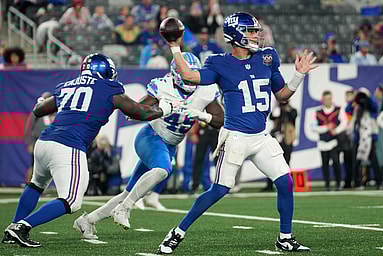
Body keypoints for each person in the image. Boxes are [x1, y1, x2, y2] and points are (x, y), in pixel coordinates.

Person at [157, 12, 317, 254]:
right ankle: (176, 233)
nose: (256, 35)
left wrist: (299, 75)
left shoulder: (267, 57)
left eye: (256, 31)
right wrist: (175, 47)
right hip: (236, 137)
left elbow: (282, 95)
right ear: (235, 35)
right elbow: (189, 76)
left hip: (262, 137)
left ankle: (285, 238)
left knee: (285, 182)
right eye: (251, 31)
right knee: (219, 189)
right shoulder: (219, 62)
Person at [2, 53, 176, 248]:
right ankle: (22, 227)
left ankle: (13, 227)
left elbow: (39, 110)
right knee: (72, 201)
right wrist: (164, 110)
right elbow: (141, 112)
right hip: (68, 145)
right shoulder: (109, 87)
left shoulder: (68, 85)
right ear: (104, 71)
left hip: (44, 142)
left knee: (36, 185)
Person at [72, 52, 224, 240]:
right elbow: (133, 113)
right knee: (162, 170)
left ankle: (87, 221)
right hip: (151, 137)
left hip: (170, 144)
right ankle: (125, 209)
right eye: (186, 71)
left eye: (192, 72)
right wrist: (161, 110)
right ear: (176, 72)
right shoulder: (163, 86)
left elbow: (220, 120)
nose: (189, 76)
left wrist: (203, 116)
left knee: (130, 191)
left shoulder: (206, 90)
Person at [346, 88, 382, 189]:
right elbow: (347, 110)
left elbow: (375, 106)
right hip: (358, 138)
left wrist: (367, 97)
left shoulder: (371, 109)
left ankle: (379, 181)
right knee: (356, 161)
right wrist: (355, 99)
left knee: (374, 160)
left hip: (370, 137)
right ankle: (357, 182)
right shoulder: (356, 108)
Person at [312, 91, 345, 191]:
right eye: (326, 99)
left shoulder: (338, 110)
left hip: (334, 142)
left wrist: (336, 130)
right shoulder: (317, 112)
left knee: (336, 163)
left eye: (329, 99)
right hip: (322, 143)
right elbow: (313, 127)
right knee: (325, 165)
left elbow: (344, 123)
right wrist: (326, 128)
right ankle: (327, 185)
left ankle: (338, 183)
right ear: (322, 100)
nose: (328, 101)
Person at [263, 101, 297, 191]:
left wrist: (286, 109)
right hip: (276, 139)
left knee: (286, 162)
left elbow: (293, 116)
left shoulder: (292, 110)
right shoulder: (277, 110)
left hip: (287, 139)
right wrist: (276, 108)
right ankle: (269, 185)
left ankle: (287, 184)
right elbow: (272, 117)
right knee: (271, 162)